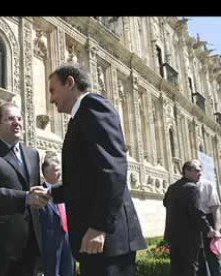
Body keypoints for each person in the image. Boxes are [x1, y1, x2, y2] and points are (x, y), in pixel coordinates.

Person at [48, 63, 147, 276]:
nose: (51, 98)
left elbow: (112, 169)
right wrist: (50, 193)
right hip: (95, 240)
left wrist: (99, 226)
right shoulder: (80, 116)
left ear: (70, 83)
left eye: (53, 90)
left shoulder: (93, 106)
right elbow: (84, 179)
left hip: (105, 240)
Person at [0, 102, 50, 276]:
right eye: (10, 119)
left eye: (19, 118)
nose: (17, 122)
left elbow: (34, 192)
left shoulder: (32, 154)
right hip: (0, 246)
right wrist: (25, 198)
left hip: (31, 244)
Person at [164, 160, 220, 276]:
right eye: (197, 171)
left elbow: (165, 203)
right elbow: (197, 212)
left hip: (173, 236)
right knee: (190, 268)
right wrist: (209, 230)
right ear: (187, 171)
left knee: (176, 269)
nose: (200, 174)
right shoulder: (192, 188)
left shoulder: (172, 187)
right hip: (188, 237)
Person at [39, 154, 75, 276]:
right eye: (56, 170)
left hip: (68, 244)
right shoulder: (40, 194)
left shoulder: (66, 192)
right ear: (46, 173)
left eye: (60, 169)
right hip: (50, 248)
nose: (59, 173)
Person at [196, 178, 221, 276]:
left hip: (208, 220)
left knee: (213, 258)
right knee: (198, 258)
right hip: (193, 223)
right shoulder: (184, 186)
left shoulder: (207, 185)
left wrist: (217, 229)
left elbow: (216, 209)